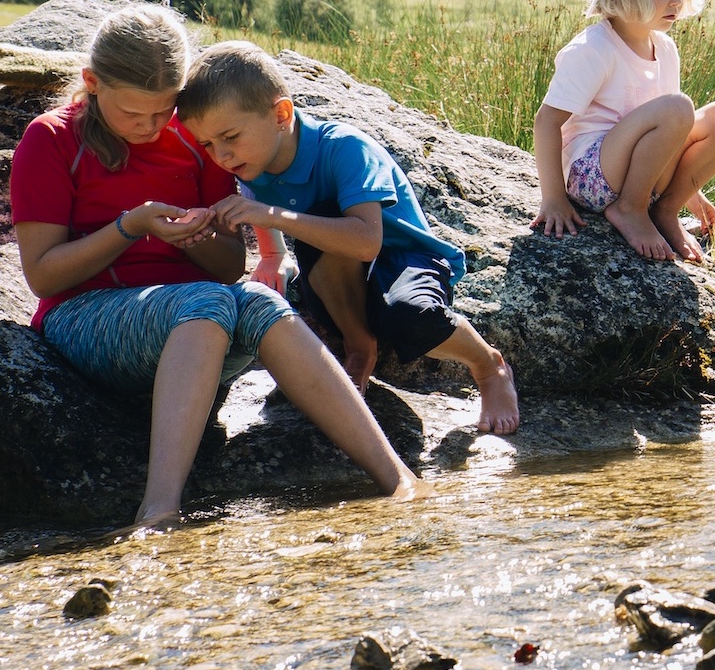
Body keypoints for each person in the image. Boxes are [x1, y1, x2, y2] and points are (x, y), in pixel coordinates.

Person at [10, 3, 417, 532]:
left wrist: (195, 235)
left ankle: (399, 481)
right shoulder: (50, 139)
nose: (150, 126)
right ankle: (158, 511)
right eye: (133, 114)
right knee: (205, 301)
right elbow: (43, 276)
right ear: (92, 83)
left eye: (163, 111)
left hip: (200, 325)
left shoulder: (194, 139)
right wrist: (130, 227)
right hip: (84, 319)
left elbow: (228, 268)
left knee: (260, 300)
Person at [178, 41, 522, 436]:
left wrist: (271, 216)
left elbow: (366, 242)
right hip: (341, 281)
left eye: (230, 136)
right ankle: (359, 347)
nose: (221, 156)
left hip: (403, 259)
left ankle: (488, 365)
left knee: (411, 317)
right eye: (208, 144)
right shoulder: (252, 161)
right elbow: (259, 201)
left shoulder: (344, 148)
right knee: (315, 242)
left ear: (281, 114)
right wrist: (271, 254)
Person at [530, 0, 715, 263]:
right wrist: (553, 198)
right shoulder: (594, 49)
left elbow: (671, 133)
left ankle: (665, 211)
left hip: (644, 175)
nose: (676, 0)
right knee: (678, 107)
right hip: (593, 177)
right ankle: (629, 209)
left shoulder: (666, 49)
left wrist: (690, 191)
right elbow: (546, 122)